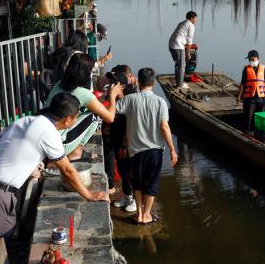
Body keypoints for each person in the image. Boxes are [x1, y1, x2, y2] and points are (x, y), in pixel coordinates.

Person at [0, 93, 109, 264]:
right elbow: (68, 170)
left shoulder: (26, 121)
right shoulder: (48, 132)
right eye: (75, 117)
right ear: (68, 119)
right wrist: (89, 195)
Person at [116, 68, 177, 224]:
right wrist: (172, 149)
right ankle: (147, 215)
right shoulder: (160, 102)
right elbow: (164, 127)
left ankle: (139, 214)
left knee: (136, 183)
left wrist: (114, 92)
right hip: (154, 151)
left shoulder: (131, 100)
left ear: (139, 83)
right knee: (151, 183)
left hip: (135, 152)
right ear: (154, 83)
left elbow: (113, 108)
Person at [44, 53, 122, 160]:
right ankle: (77, 150)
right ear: (85, 73)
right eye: (90, 70)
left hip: (46, 138)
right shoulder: (82, 93)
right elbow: (109, 118)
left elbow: (89, 103)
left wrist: (103, 98)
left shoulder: (60, 83)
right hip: (59, 145)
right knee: (95, 115)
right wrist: (112, 96)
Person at [104, 65, 138, 212]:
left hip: (128, 142)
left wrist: (125, 145)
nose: (111, 86)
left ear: (122, 86)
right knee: (123, 170)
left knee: (130, 170)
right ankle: (126, 195)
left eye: (114, 83)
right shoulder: (115, 99)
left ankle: (135, 200)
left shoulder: (129, 101)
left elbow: (131, 126)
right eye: (111, 82)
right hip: (116, 139)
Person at [237, 50, 265, 134]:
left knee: (260, 116)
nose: (250, 60)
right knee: (249, 116)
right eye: (249, 59)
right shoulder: (246, 69)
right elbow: (242, 84)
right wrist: (239, 96)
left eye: (252, 58)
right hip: (250, 98)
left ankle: (259, 133)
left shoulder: (263, 68)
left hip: (261, 97)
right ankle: (248, 133)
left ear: (257, 58)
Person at [168, 11, 197, 89]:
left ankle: (178, 82)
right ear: (191, 18)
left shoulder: (182, 23)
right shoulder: (191, 25)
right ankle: (180, 85)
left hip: (171, 45)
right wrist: (188, 54)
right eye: (195, 19)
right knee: (181, 65)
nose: (196, 20)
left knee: (178, 65)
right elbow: (189, 42)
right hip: (178, 45)